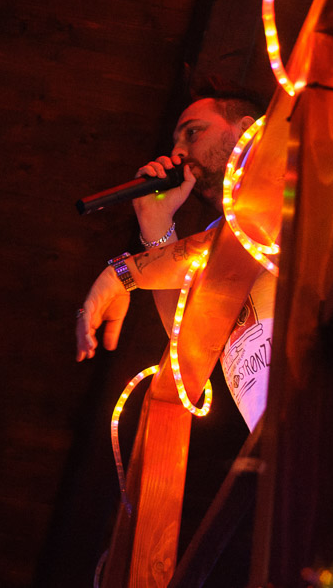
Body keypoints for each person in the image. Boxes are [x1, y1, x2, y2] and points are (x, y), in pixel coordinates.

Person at [74, 93, 276, 431]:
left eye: (193, 132)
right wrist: (155, 223)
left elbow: (242, 237)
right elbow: (189, 357)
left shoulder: (289, 187)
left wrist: (124, 273)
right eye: (176, 142)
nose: (177, 153)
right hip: (271, 439)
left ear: (246, 129)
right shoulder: (212, 236)